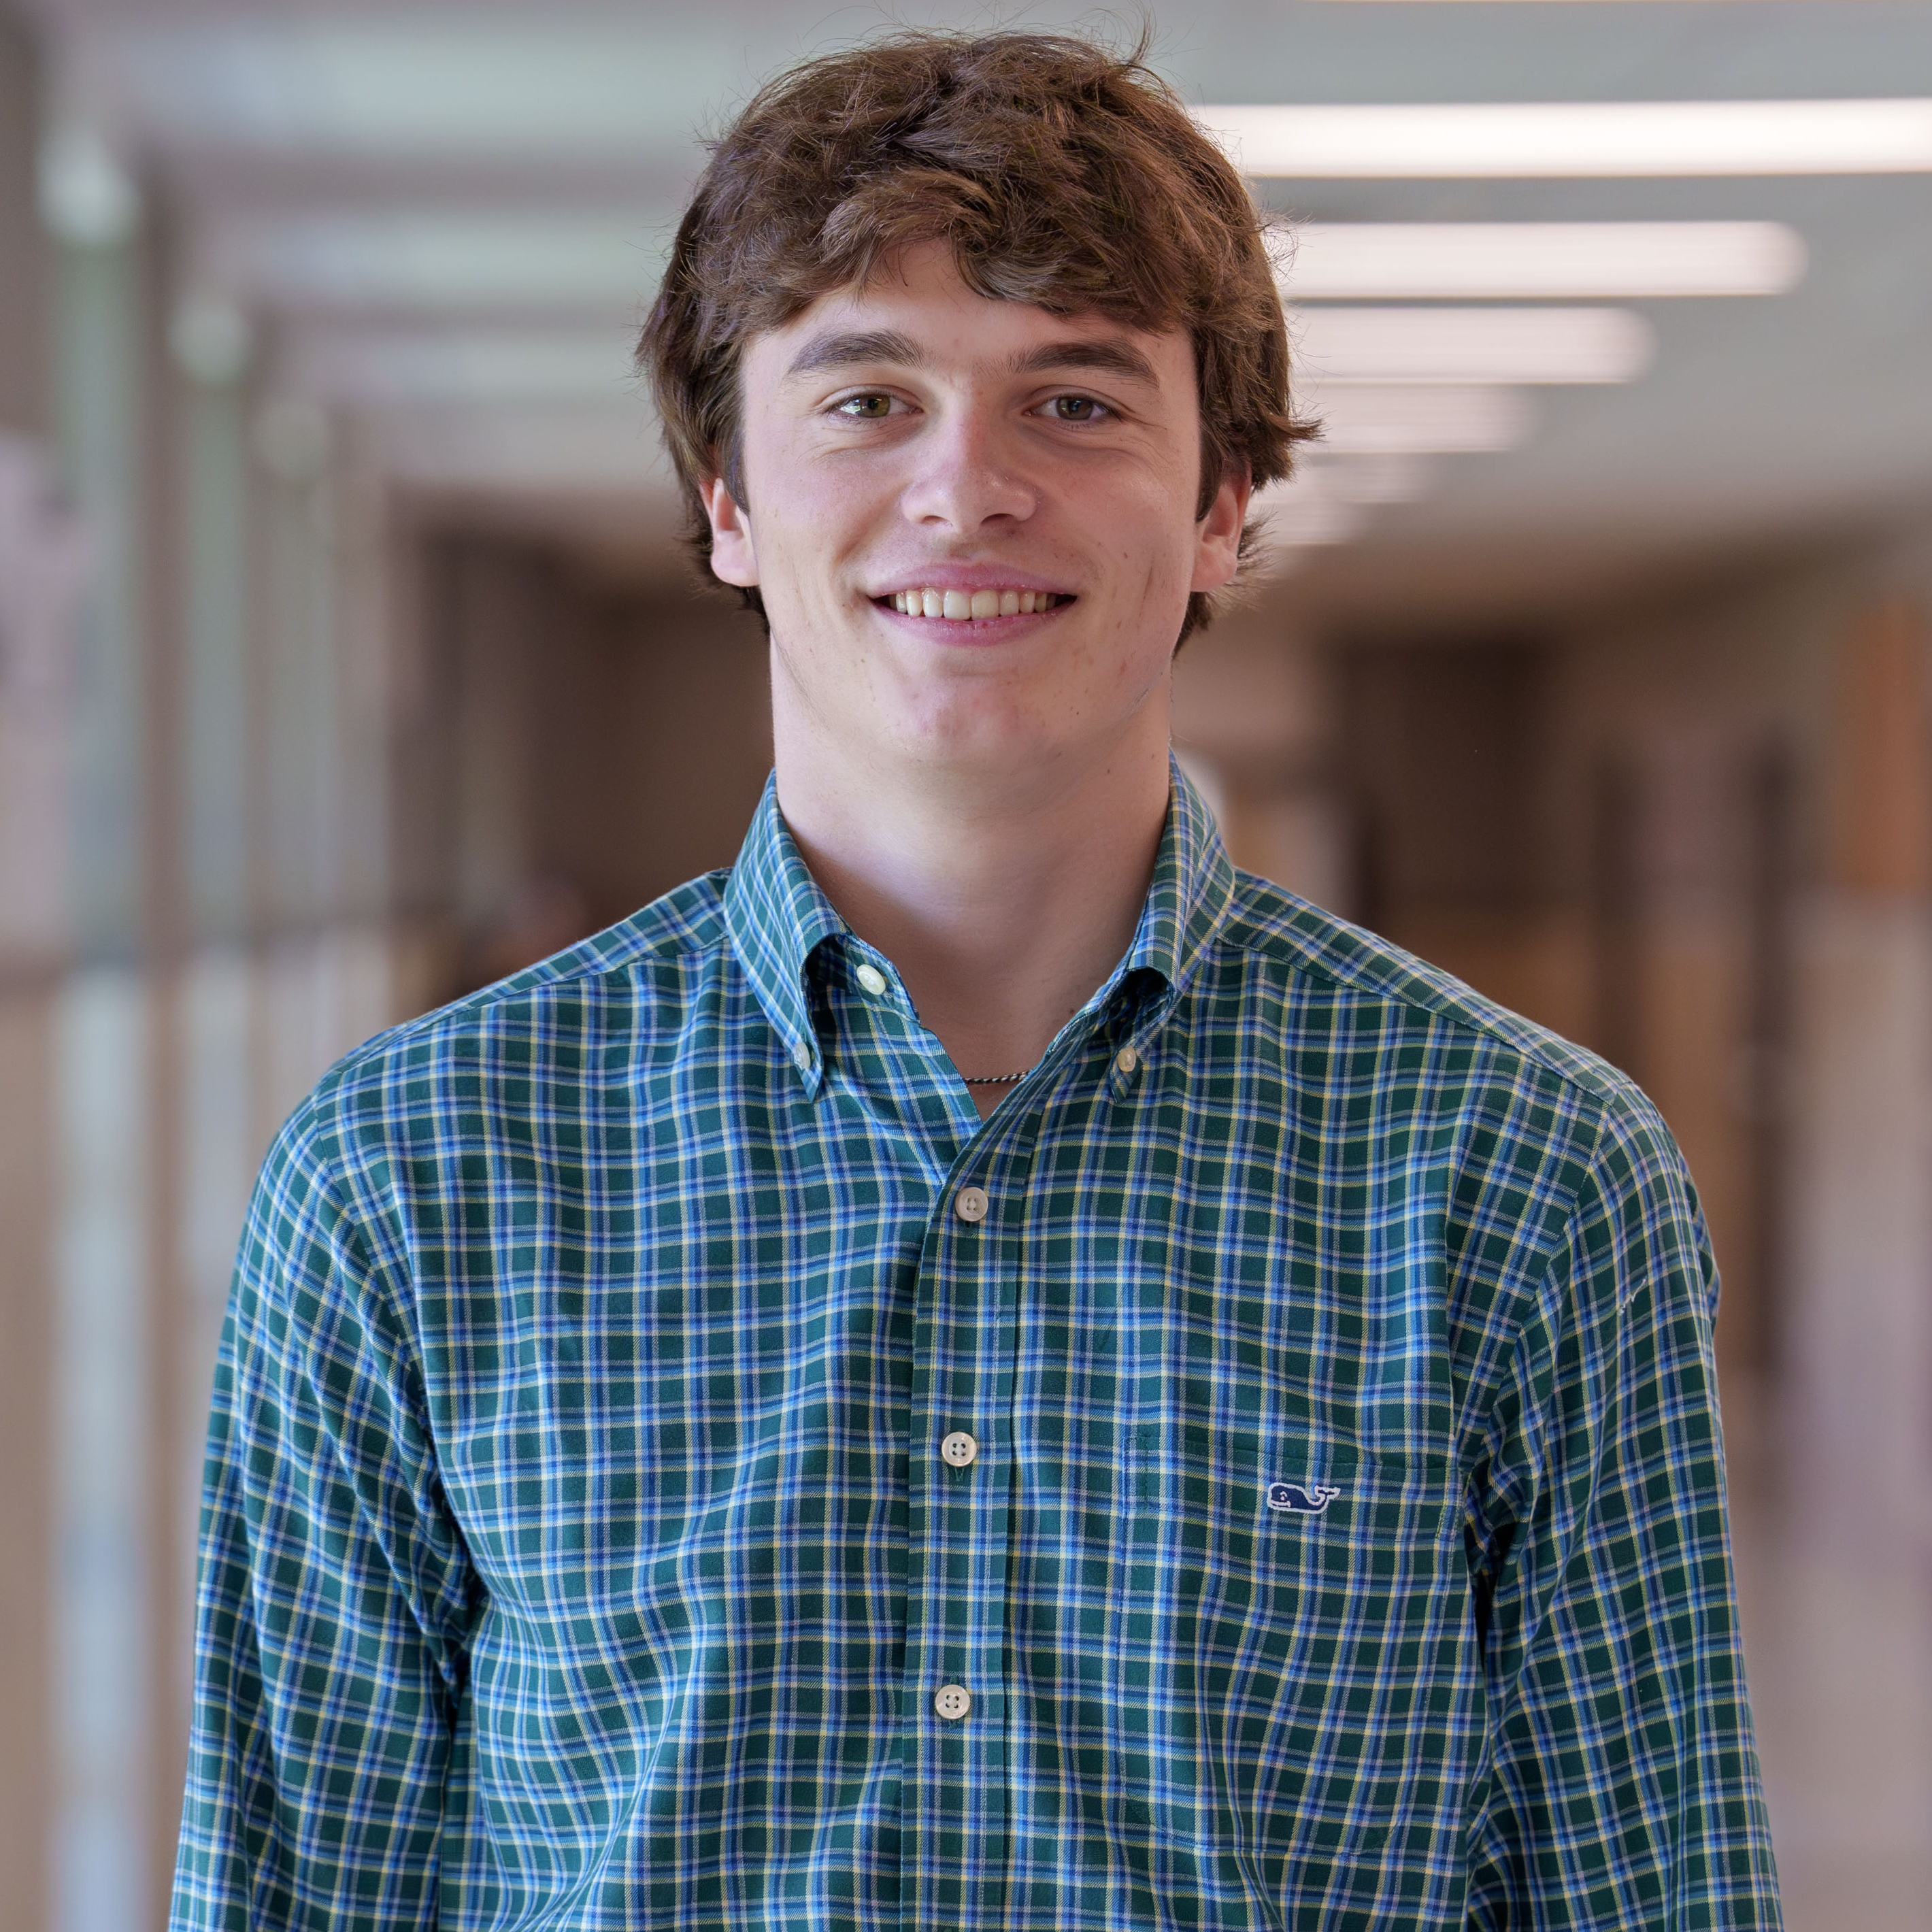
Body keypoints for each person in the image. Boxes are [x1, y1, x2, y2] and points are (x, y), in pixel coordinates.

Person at [171, 29, 1781, 1931]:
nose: (967, 490)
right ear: (729, 498)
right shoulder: (411, 1171)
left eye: (1078, 402)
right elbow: (296, 1889)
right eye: (866, 398)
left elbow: (1649, 1891)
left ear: (1222, 504)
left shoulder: (1524, 1174)